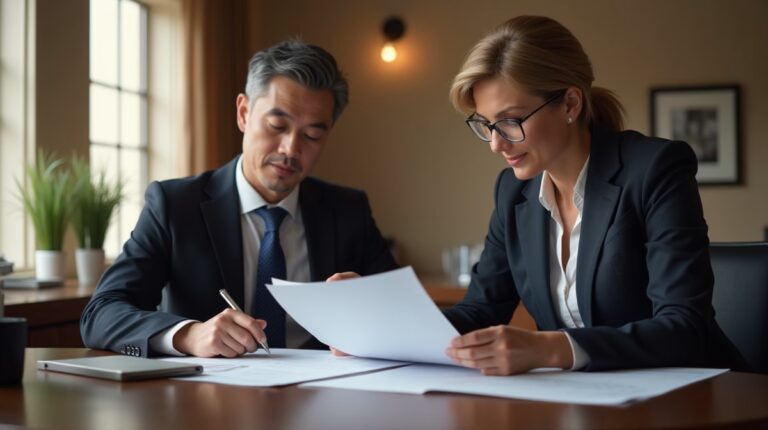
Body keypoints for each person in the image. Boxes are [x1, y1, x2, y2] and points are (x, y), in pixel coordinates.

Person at [441, 16, 746, 375]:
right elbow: (479, 310)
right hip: (584, 402)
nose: (496, 144)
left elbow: (684, 327)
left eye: (511, 121)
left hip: (695, 398)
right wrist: (379, 326)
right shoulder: (513, 192)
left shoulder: (655, 170)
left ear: (571, 103)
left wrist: (552, 348)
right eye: (487, 124)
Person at [80, 40, 398, 358]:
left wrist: (368, 306)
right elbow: (102, 313)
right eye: (277, 126)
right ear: (244, 113)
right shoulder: (175, 206)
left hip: (322, 398)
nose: (290, 149)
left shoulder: (348, 211)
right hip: (207, 400)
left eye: (312, 135)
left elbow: (403, 316)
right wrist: (189, 335)